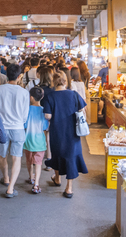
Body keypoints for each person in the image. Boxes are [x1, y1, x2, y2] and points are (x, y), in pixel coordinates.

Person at [44, 70, 88, 198]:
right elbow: (82, 108)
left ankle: (57, 178)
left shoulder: (50, 96)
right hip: (72, 131)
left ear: (54, 82)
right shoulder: (74, 94)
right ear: (65, 81)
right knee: (71, 156)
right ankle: (69, 188)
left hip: (57, 131)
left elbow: (48, 115)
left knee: (57, 154)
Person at [0, 64, 30, 198]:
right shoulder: (24, 92)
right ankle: (10, 188)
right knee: (16, 158)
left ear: (7, 75)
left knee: (2, 156)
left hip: (2, 128)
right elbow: (25, 115)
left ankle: (6, 177)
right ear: (19, 76)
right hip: (18, 128)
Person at [23, 87, 49, 194]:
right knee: (38, 163)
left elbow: (24, 125)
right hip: (39, 141)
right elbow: (45, 127)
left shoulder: (26, 110)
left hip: (27, 139)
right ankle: (36, 184)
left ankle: (31, 177)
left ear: (31, 97)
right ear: (42, 97)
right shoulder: (44, 111)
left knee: (29, 161)